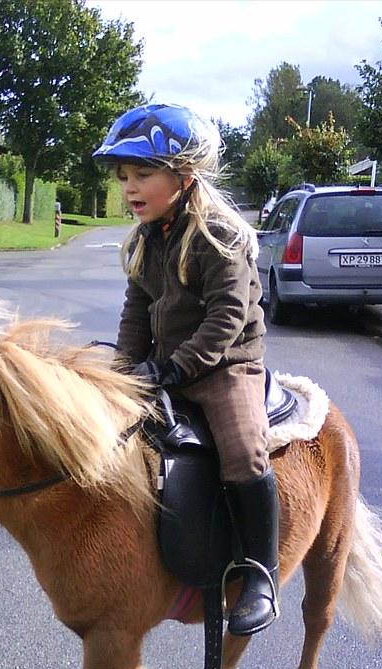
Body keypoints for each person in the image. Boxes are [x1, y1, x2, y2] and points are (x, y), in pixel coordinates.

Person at [92, 102, 279, 636]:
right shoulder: (147, 238)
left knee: (243, 451)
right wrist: (122, 372)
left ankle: (262, 572)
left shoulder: (220, 235)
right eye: (124, 175)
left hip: (224, 367)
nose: (129, 186)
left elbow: (228, 317)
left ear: (184, 176)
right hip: (167, 364)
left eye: (143, 173)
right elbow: (136, 311)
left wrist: (175, 369)